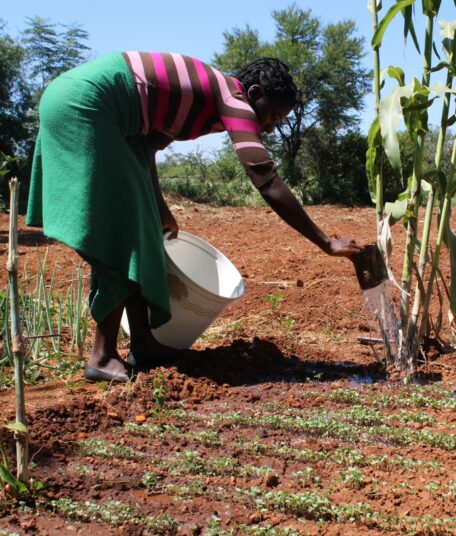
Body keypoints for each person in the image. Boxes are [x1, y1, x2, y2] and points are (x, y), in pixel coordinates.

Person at [25, 51, 363, 383]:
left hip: (82, 101)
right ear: (255, 95)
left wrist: (159, 208)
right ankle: (102, 355)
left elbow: (145, 147)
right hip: (87, 106)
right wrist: (326, 242)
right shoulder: (233, 98)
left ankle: (143, 345)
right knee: (123, 232)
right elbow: (266, 179)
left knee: (141, 227)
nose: (270, 128)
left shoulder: (199, 100)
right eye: (272, 117)